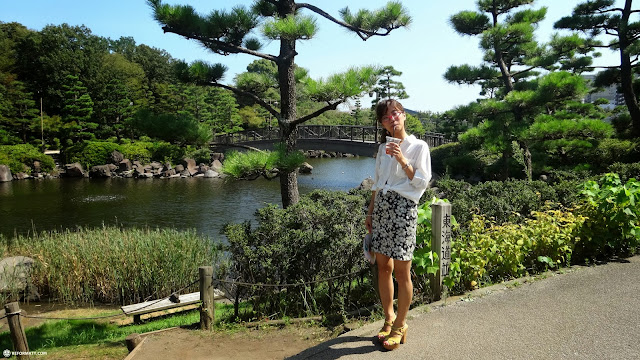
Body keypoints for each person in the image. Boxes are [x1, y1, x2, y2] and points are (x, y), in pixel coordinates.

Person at [365, 99, 432, 351]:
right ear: (382, 124)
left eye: (394, 113)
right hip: (382, 208)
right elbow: (377, 183)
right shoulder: (383, 149)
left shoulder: (419, 146)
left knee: (402, 270)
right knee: (383, 268)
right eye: (385, 117)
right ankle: (389, 317)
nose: (391, 119)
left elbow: (421, 183)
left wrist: (403, 159)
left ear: (403, 115)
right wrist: (370, 212)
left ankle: (401, 324)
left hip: (403, 209)